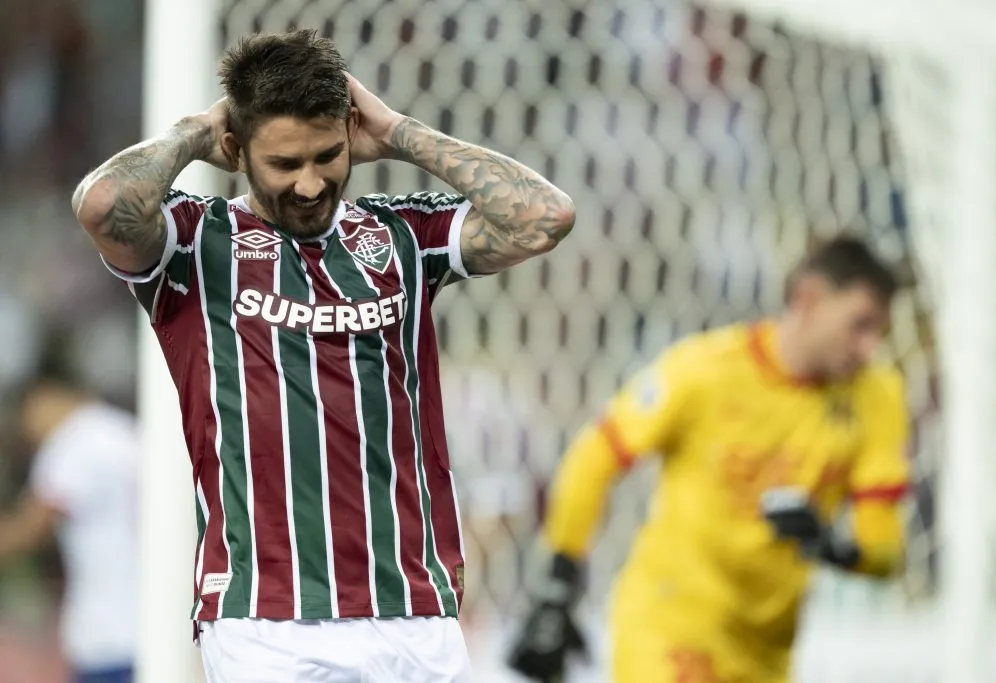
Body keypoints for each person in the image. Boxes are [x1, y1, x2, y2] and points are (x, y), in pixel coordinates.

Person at [71, 28, 575, 683]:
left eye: (327, 155)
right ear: (237, 151)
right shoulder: (196, 243)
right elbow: (103, 205)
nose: (310, 184)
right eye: (284, 163)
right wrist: (198, 130)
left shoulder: (399, 237)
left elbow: (545, 215)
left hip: (416, 609)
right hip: (270, 619)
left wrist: (398, 132)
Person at [508, 236, 910, 683]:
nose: (869, 347)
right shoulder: (706, 370)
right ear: (807, 298)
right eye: (860, 325)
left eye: (880, 333)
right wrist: (559, 585)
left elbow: (886, 552)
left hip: (767, 655)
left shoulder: (878, 397)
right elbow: (595, 458)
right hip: (671, 631)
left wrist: (833, 544)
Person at [0, 364, 138, 683]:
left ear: (41, 401)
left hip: (108, 634)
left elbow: (30, 528)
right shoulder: (127, 432)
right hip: (153, 625)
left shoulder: (74, 442)